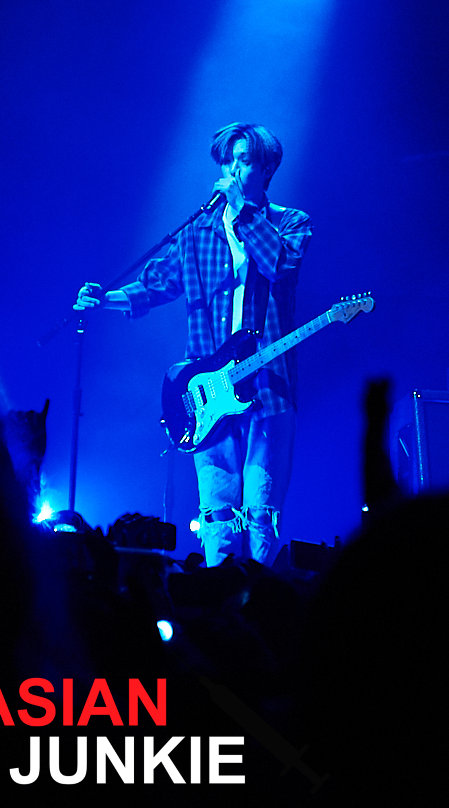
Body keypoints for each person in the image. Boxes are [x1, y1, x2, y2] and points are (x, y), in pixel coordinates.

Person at [76, 122, 311, 565]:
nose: (232, 170)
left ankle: (257, 600)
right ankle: (217, 598)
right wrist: (104, 299)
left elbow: (279, 265)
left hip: (268, 387)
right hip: (209, 393)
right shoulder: (197, 232)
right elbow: (156, 284)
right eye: (227, 162)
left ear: (266, 169)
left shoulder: (290, 223)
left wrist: (243, 211)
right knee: (217, 514)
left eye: (244, 161)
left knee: (260, 515)